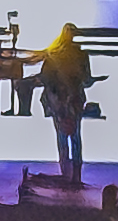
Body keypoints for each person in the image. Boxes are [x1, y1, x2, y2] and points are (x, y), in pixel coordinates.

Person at [30, 22, 94, 185]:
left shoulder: (54, 54)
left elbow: (45, 77)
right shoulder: (80, 55)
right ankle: (75, 176)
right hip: (73, 100)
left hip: (58, 101)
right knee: (75, 136)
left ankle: (66, 173)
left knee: (63, 136)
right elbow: (86, 79)